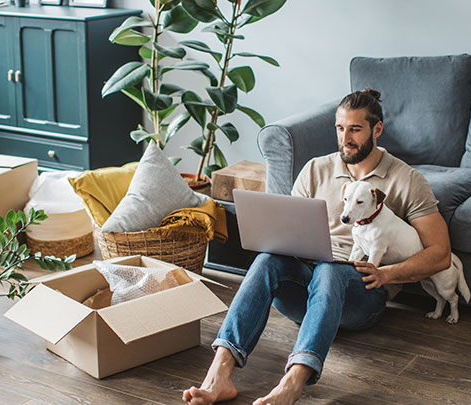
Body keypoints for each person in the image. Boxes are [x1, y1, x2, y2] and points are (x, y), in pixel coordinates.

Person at [182, 88, 452, 405]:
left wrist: (386, 275)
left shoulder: (406, 180)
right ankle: (219, 374)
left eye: (355, 129)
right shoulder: (315, 169)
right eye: (340, 128)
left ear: (377, 129)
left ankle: (293, 382)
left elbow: (441, 254)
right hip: (305, 290)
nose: (345, 138)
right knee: (268, 260)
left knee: (330, 271)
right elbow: (289, 227)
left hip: (361, 297)